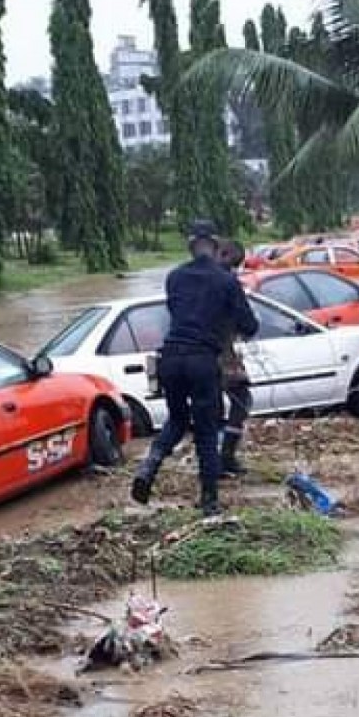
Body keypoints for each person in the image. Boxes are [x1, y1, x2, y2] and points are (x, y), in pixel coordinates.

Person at [131, 221, 259, 516]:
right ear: (215, 246)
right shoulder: (225, 281)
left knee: (176, 420)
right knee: (205, 430)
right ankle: (210, 502)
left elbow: (180, 314)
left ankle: (148, 467)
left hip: (171, 358)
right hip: (202, 361)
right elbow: (249, 325)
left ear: (189, 246)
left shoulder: (174, 278)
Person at [216, 237, 254, 477]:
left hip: (188, 352)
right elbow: (248, 323)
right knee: (241, 399)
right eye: (233, 264)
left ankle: (211, 462)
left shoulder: (188, 277)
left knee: (210, 407)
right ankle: (225, 457)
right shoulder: (227, 281)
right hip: (220, 352)